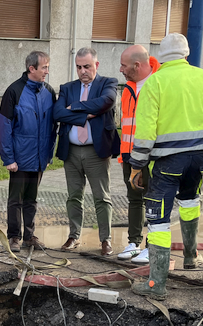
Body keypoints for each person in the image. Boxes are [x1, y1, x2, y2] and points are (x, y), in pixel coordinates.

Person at [127, 33, 203, 299]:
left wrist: (137, 166)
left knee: (158, 219)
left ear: (161, 56)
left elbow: (145, 132)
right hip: (198, 158)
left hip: (168, 161)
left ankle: (156, 284)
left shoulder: (156, 83)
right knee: (190, 201)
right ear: (186, 54)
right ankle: (191, 256)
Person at [53, 47, 118, 255]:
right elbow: (58, 113)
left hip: (96, 152)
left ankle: (105, 240)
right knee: (74, 196)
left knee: (101, 196)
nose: (82, 71)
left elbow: (106, 102)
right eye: (79, 67)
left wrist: (76, 107)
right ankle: (74, 236)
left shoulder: (108, 83)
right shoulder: (67, 87)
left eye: (87, 66)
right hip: (71, 151)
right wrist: (86, 115)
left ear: (96, 65)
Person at [0, 51, 58, 252]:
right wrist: (8, 158)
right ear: (32, 68)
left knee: (32, 199)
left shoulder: (49, 92)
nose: (47, 71)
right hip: (20, 158)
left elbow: (52, 127)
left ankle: (29, 236)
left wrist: (48, 154)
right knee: (16, 200)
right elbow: (3, 127)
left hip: (39, 158)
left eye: (48, 67)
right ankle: (14, 236)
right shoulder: (14, 91)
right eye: (44, 68)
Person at [115, 45, 160, 264]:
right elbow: (127, 125)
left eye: (124, 65)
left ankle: (153, 245)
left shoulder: (158, 83)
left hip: (152, 155)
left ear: (137, 65)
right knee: (134, 199)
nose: (121, 69)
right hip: (130, 154)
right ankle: (134, 242)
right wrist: (124, 155)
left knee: (154, 199)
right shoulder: (128, 89)